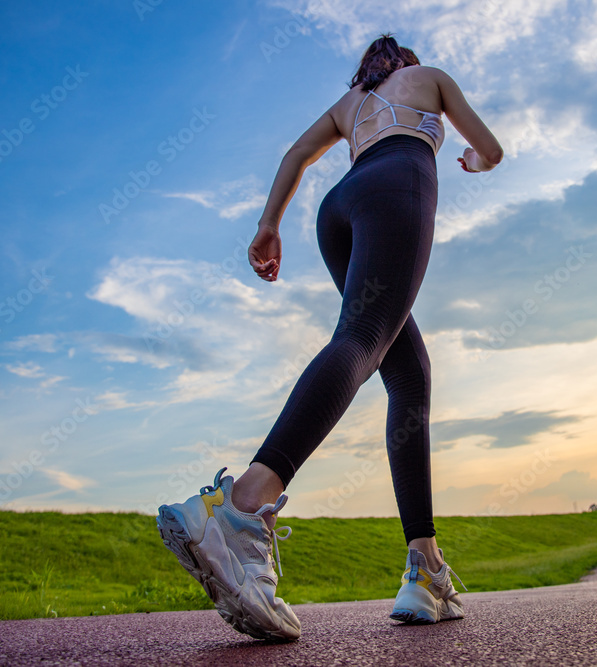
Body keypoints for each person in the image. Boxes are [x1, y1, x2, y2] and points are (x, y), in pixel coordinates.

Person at [156, 33, 503, 641]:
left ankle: (425, 568)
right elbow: (491, 149)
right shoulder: (432, 79)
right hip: (399, 182)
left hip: (337, 211)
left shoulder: (351, 104)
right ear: (408, 64)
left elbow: (296, 153)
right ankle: (241, 505)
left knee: (409, 375)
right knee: (366, 337)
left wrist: (268, 227)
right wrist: (472, 163)